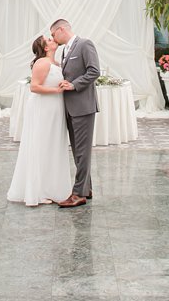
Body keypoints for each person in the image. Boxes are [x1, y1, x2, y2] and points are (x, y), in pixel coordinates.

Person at [6, 35, 74, 206]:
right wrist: (56, 91)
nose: (53, 40)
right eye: (49, 40)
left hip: (54, 109)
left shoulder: (56, 63)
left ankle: (50, 187)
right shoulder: (42, 63)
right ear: (45, 48)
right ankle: (37, 191)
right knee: (41, 146)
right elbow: (34, 87)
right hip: (43, 108)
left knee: (52, 147)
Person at [51, 18, 100, 208]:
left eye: (54, 34)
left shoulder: (85, 44)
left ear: (62, 29)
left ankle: (78, 194)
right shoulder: (65, 50)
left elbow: (94, 71)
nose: (53, 38)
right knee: (79, 152)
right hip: (71, 108)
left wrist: (74, 84)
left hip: (83, 107)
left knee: (82, 151)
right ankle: (86, 188)